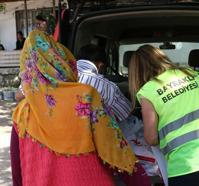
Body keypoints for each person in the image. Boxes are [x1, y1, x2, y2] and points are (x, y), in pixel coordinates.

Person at [11, 29, 136, 186]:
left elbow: (17, 167)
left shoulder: (22, 112)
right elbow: (114, 148)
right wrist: (139, 178)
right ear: (61, 59)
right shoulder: (85, 96)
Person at [128, 45, 199, 186]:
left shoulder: (148, 91)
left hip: (186, 165)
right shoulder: (192, 75)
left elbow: (151, 138)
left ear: (136, 71)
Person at [76, 44, 152, 186]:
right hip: (100, 145)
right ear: (100, 65)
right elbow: (126, 113)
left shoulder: (57, 77)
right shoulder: (106, 86)